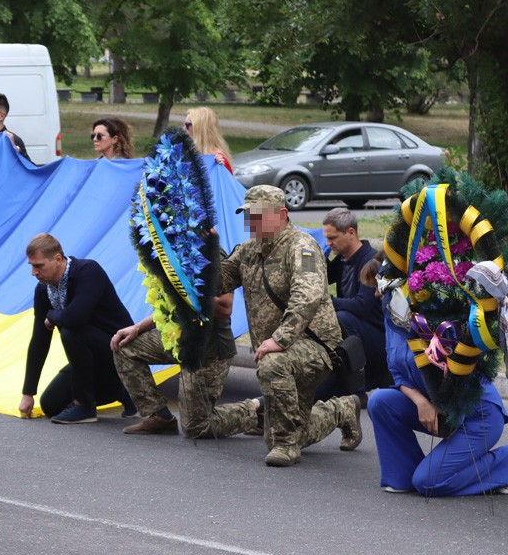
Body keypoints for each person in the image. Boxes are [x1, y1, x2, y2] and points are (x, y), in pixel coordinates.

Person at [208, 185, 362, 467]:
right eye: (247, 216)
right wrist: (207, 250)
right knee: (293, 427)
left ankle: (286, 445)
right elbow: (219, 282)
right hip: (279, 350)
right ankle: (341, 410)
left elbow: (309, 294)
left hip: (315, 346)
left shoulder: (301, 246)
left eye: (257, 216)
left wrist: (280, 339)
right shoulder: (249, 250)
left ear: (281, 215)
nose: (250, 223)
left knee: (273, 369)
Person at [368, 261, 508, 496]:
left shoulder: (435, 317)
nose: (377, 291)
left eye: (384, 285)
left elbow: (461, 367)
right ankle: (403, 474)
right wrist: (421, 402)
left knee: (429, 483)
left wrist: (439, 398)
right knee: (380, 401)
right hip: (435, 409)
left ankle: (502, 467)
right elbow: (396, 371)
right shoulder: (393, 318)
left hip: (476, 415)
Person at [17, 234, 136, 423]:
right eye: (31, 265)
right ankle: (121, 390)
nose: (34, 272)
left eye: (38, 265)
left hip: (120, 351)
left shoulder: (88, 271)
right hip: (88, 357)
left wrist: (51, 315)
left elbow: (75, 318)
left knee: (72, 331)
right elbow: (39, 340)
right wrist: (28, 392)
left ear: (57, 259)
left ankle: (85, 406)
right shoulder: (43, 290)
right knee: (51, 404)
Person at [111, 284, 236, 437]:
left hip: (208, 350)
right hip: (178, 340)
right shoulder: (168, 261)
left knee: (196, 427)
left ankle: (257, 409)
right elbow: (171, 306)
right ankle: (160, 417)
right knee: (125, 347)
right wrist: (138, 327)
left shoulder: (214, 261)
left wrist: (185, 294)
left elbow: (224, 308)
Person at [317, 207, 388, 399]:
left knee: (342, 317)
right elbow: (316, 278)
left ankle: (359, 384)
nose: (328, 243)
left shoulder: (371, 261)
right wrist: (312, 253)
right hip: (357, 335)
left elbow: (362, 306)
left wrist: (328, 301)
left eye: (332, 238)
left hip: (377, 338)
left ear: (350, 232)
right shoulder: (342, 259)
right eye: (326, 238)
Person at [183, 107, 232, 172]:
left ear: (201, 129)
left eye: (188, 125)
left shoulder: (219, 159)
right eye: (184, 124)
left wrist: (220, 168)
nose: (184, 128)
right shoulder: (186, 151)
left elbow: (226, 181)